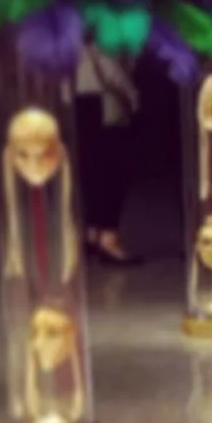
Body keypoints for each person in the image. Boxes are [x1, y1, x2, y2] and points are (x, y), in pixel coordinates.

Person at [74, 43, 143, 265]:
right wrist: (131, 94)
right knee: (114, 166)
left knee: (92, 165)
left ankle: (93, 231)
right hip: (103, 93)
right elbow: (106, 57)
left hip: (80, 92)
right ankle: (108, 236)